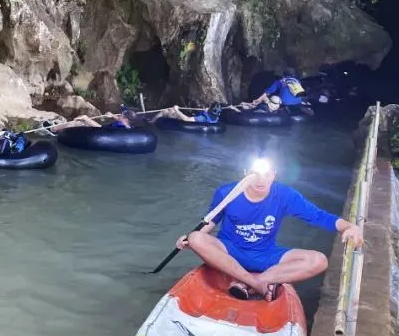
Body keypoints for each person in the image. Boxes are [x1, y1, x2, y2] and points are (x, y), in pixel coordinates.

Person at [175, 157, 363, 301]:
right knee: (196, 238)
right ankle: (257, 283)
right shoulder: (227, 192)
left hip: (265, 254)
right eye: (255, 174)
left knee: (319, 260)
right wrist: (190, 239)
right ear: (245, 173)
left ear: (274, 174)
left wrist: (349, 226)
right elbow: (210, 220)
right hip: (229, 251)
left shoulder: (285, 195)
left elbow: (318, 216)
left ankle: (249, 282)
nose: (261, 180)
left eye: (266, 174)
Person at [150, 103, 223, 124]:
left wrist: (176, 110)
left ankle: (151, 122)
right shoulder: (216, 118)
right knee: (171, 111)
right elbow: (212, 114)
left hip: (185, 123)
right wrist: (207, 111)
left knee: (165, 111)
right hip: (200, 120)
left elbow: (186, 119)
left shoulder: (202, 118)